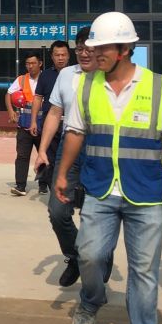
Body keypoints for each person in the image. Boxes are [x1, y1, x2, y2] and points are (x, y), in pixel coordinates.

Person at [55, 12, 162, 324]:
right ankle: (91, 300)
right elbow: (75, 132)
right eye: (93, 47)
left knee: (144, 269)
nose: (94, 52)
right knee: (89, 255)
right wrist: (62, 173)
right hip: (100, 188)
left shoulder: (157, 87)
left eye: (103, 47)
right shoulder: (86, 86)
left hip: (144, 193)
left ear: (125, 49)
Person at [35, 28, 99, 286]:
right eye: (80, 48)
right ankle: (76, 256)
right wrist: (42, 149)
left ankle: (98, 260)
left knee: (94, 215)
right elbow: (54, 113)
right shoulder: (66, 75)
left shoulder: (108, 76)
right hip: (68, 147)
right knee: (57, 211)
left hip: (100, 150)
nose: (84, 53)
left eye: (90, 49)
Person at [28, 42, 68, 194]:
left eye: (63, 55)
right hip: (50, 123)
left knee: (69, 158)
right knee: (49, 158)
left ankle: (68, 190)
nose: (60, 58)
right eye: (57, 55)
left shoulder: (75, 74)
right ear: (52, 56)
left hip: (70, 123)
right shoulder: (45, 75)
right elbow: (38, 98)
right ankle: (54, 192)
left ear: (68, 56)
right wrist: (33, 121)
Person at [6, 50, 45, 196]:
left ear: (40, 63)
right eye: (28, 63)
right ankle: (20, 186)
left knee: (44, 154)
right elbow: (9, 94)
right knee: (22, 156)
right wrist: (11, 111)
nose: (30, 66)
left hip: (43, 125)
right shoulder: (21, 79)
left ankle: (43, 184)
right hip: (24, 124)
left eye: (33, 63)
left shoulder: (46, 78)